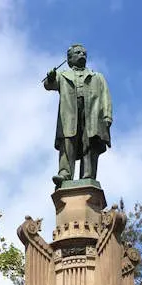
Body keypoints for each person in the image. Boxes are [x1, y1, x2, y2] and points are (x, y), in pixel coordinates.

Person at [44, 44, 112, 187]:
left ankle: (88, 174)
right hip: (69, 113)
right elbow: (48, 85)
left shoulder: (97, 77)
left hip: (91, 113)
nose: (82, 55)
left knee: (89, 141)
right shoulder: (62, 76)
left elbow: (106, 97)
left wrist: (107, 116)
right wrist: (50, 77)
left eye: (84, 53)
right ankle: (64, 174)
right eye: (78, 53)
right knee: (68, 141)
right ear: (69, 59)